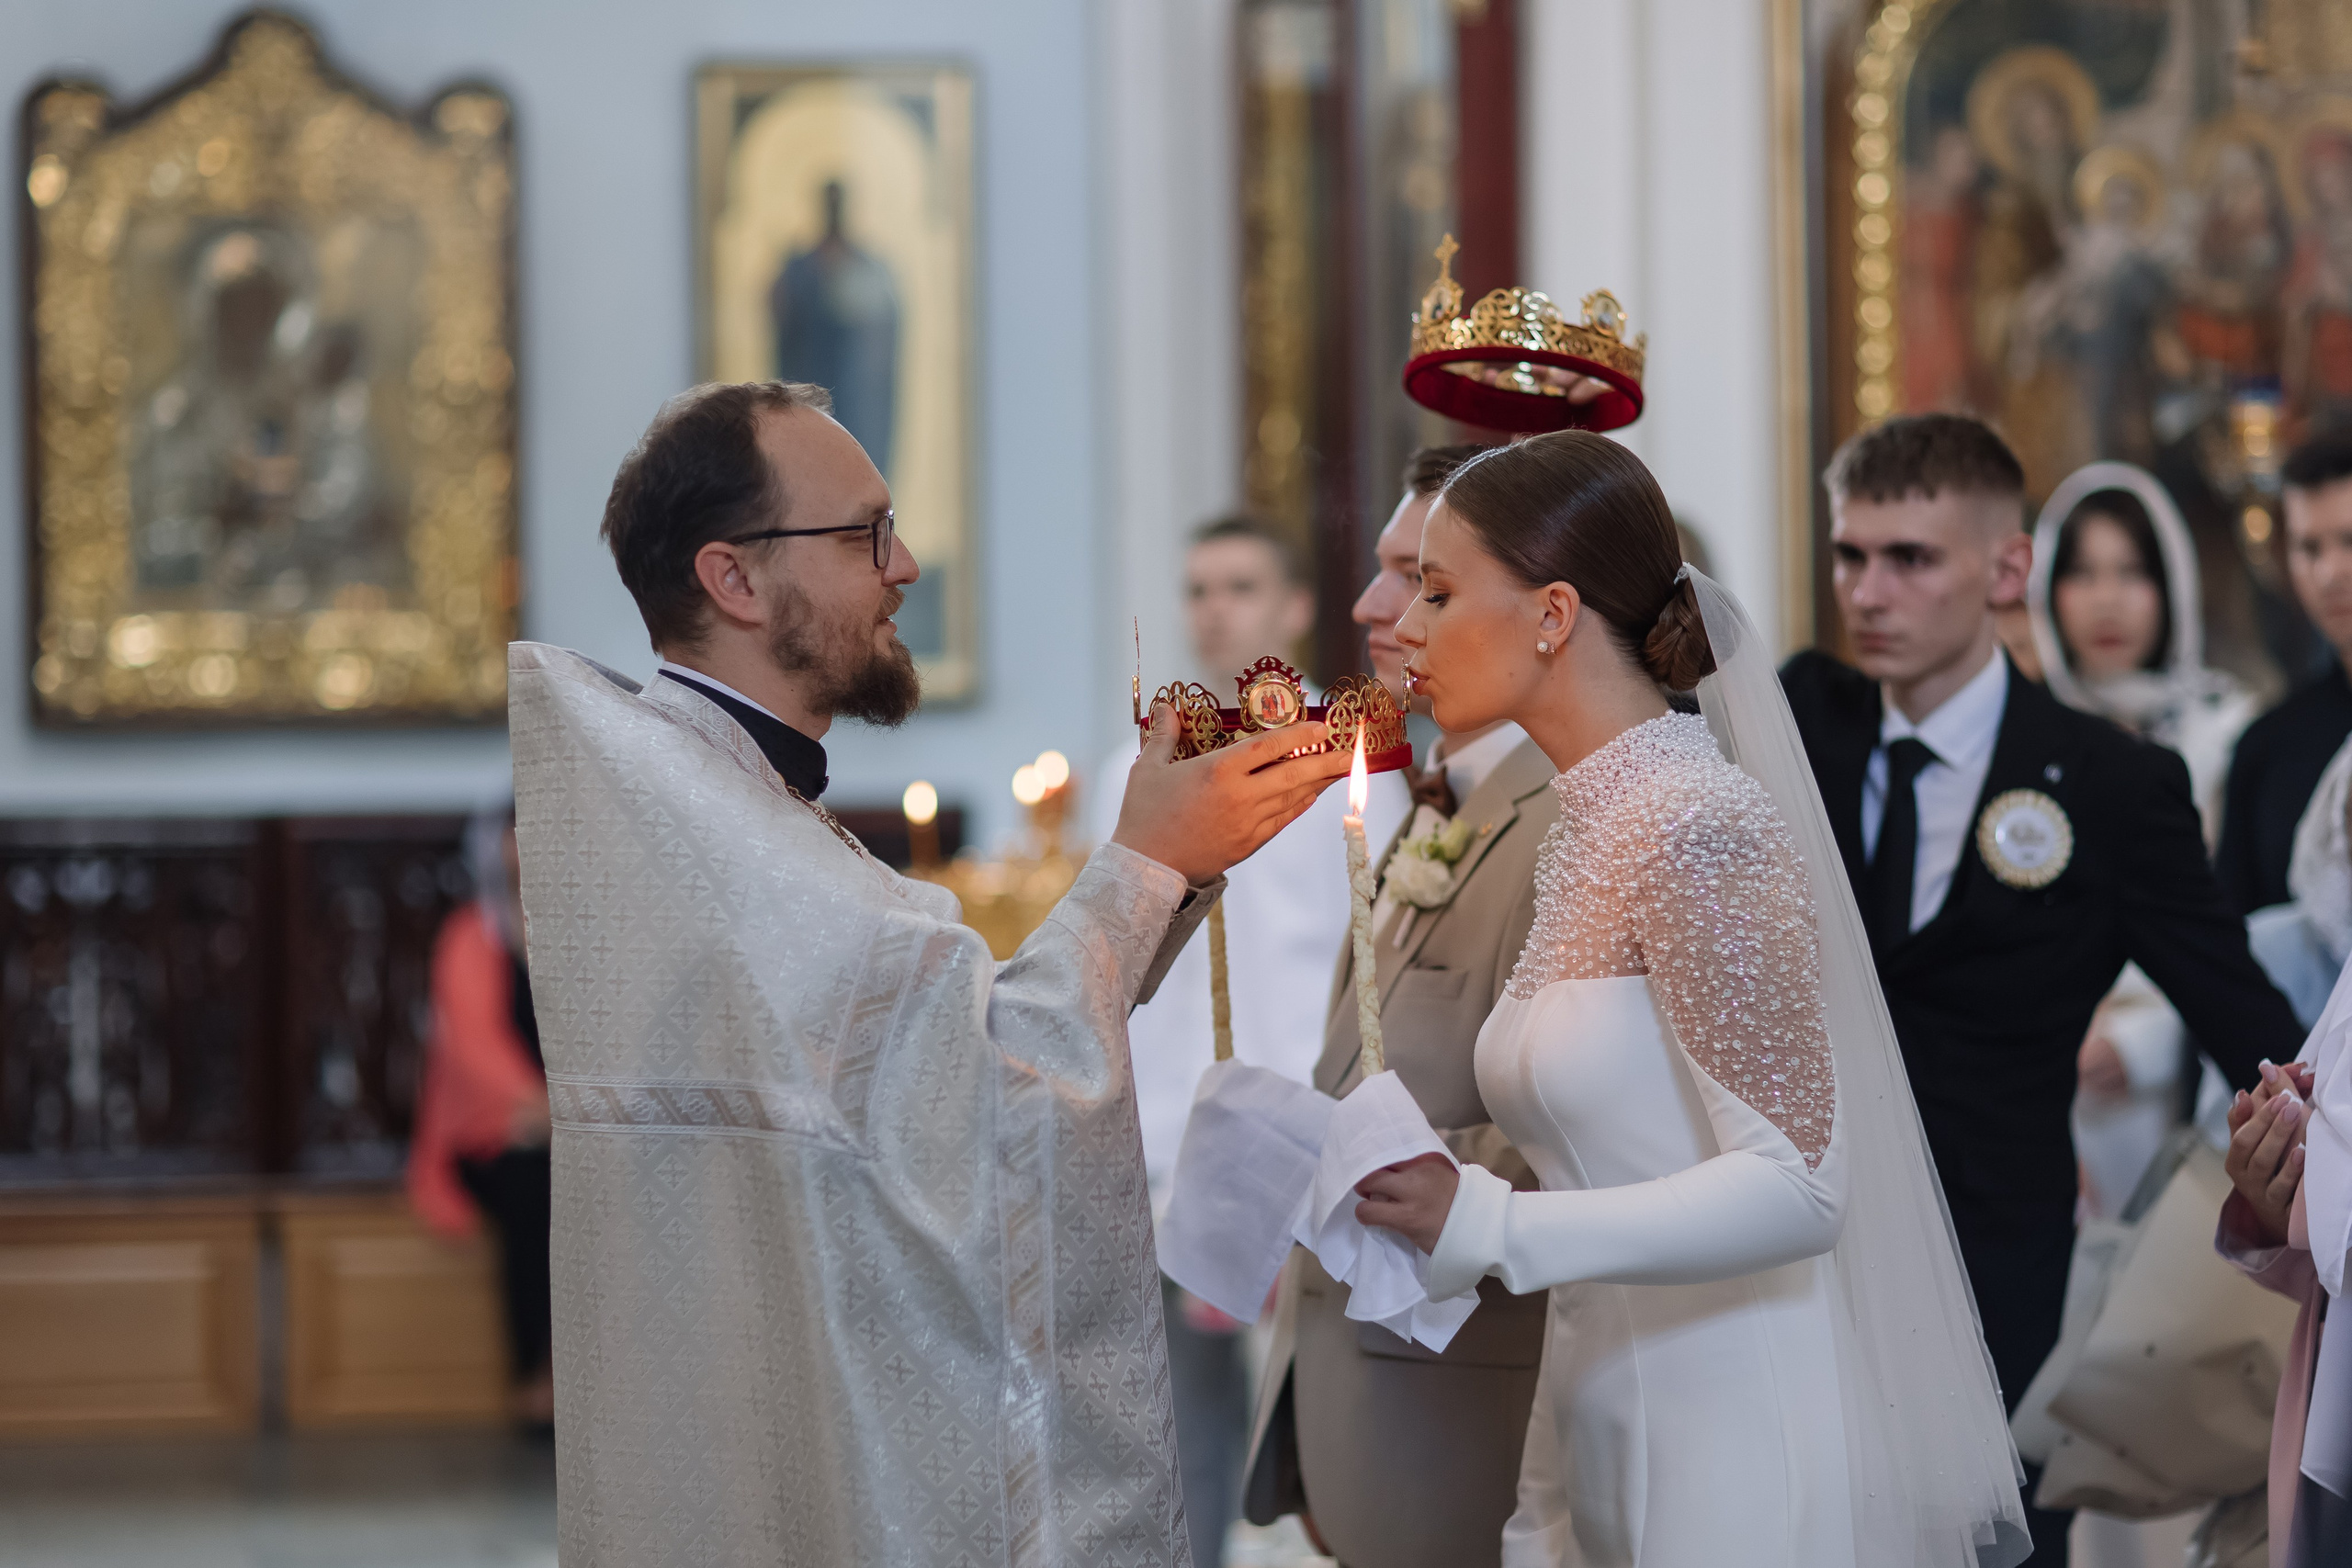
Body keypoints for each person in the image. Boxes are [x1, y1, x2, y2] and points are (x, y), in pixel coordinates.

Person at [507, 379, 1352, 1566]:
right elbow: (999, 1087)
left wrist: (1164, 868)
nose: (904, 566)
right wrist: (1148, 861)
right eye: (866, 534)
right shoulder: (726, 843)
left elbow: (939, 1062)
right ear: (733, 579)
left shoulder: (712, 803)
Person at [1348, 431, 2028, 1568]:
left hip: (1737, 1446)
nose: (1404, 626)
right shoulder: (1592, 823)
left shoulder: (1697, 826)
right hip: (1604, 1418)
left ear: (1552, 615)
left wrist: (1489, 1222)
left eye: (1438, 590)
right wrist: (1543, 1505)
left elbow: (1800, 1186)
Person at [1780, 412, 2302, 1565]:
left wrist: (2309, 1147)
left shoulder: (2110, 784)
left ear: (2006, 569)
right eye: (1850, 555)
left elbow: (2246, 1019)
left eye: (1910, 558)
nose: (1868, 592)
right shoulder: (1802, 722)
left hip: (1996, 1288)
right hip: (1797, 1264)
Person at [1240, 444, 1560, 1568]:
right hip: (1359, 1392)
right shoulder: (1433, 798)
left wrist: (1348, 1165)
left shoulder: (1566, 824)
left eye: (1420, 580)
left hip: (1467, 1407)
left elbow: (1591, 1130)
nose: (1373, 608)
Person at [1085, 514, 1386, 1568]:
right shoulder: (1134, 768)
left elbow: (1369, 958)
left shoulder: (1352, 758)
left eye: (1241, 586)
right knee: (1177, 1431)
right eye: (1198, 589)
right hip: (1167, 1138)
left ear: (1295, 607)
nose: (1215, 609)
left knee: (1320, 1429)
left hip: (1307, 1132)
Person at [2026, 463, 2260, 1217]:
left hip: (2191, 1080)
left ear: (2172, 584)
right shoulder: (2021, 734)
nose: (2107, 599)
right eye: (2084, 572)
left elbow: (2240, 926)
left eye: (2131, 571)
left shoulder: (2226, 735)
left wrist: (2146, 1043)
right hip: (2041, 1083)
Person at [407, 800, 554, 1427]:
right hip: (493, 1134)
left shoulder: (583, 930)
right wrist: (549, 1115)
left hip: (572, 1131)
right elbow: (474, 1049)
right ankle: (536, 1376)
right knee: (533, 1184)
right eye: (514, 830)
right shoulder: (471, 934)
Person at [2218, 430, 2352, 915]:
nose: (2330, 573)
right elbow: (2235, 932)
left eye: (2350, 541)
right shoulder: (2266, 748)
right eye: (2309, 548)